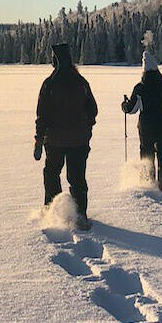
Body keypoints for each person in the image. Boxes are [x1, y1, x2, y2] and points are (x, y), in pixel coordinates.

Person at [34, 43, 98, 229]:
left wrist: (38, 141)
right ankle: (80, 216)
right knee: (77, 178)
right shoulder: (81, 82)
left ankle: (52, 212)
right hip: (79, 141)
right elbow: (93, 110)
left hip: (54, 141)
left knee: (52, 174)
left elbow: (42, 116)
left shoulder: (49, 83)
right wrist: (87, 129)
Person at [121, 51, 162, 192]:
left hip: (146, 127)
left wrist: (124, 105)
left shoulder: (139, 88)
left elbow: (132, 109)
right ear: (157, 69)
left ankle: (147, 183)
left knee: (147, 153)